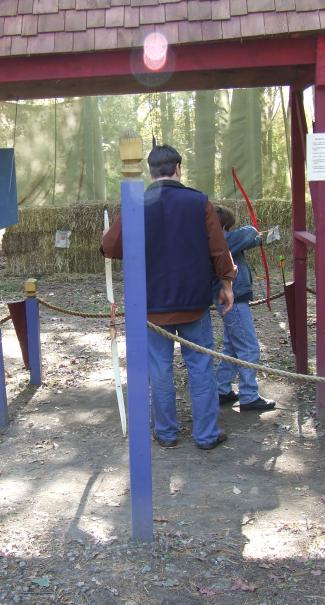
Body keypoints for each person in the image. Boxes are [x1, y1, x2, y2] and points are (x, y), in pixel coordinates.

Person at [101, 144, 237, 449]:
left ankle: (166, 433)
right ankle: (206, 434)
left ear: (151, 172)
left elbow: (110, 247)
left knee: (160, 370)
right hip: (194, 302)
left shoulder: (138, 202)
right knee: (200, 368)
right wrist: (227, 284)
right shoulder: (199, 202)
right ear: (178, 169)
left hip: (151, 305)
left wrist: (112, 238)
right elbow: (219, 249)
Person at [213, 205, 275, 412]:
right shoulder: (222, 240)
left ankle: (222, 389)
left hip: (232, 299)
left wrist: (257, 239)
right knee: (249, 348)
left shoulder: (218, 241)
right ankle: (249, 396)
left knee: (232, 347)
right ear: (224, 225)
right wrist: (255, 234)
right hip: (234, 300)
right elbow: (248, 234)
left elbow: (248, 240)